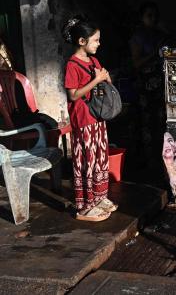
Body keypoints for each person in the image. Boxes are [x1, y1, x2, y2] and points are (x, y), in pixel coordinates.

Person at [63, 16, 116, 222]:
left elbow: (105, 81)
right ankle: (85, 205)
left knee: (100, 158)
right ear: (81, 42)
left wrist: (104, 77)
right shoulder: (72, 65)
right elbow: (73, 95)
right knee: (86, 160)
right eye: (95, 40)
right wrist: (96, 80)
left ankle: (100, 197)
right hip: (83, 120)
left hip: (97, 117)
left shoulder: (93, 60)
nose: (99, 44)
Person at [130, 2, 168, 165]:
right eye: (149, 16)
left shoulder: (160, 35)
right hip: (145, 86)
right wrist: (154, 53)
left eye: (155, 16)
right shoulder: (137, 37)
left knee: (161, 120)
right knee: (147, 121)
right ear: (141, 18)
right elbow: (136, 63)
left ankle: (163, 156)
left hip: (160, 84)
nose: (153, 19)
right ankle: (149, 160)